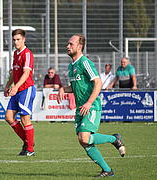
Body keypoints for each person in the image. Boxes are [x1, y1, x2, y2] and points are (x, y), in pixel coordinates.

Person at [57, 34, 126, 178]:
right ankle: (107, 170)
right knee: (84, 142)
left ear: (79, 46)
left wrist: (89, 103)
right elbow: (75, 86)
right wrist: (63, 88)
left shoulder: (85, 62)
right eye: (67, 44)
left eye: (71, 44)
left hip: (91, 106)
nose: (67, 46)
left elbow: (98, 82)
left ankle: (114, 139)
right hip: (80, 108)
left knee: (84, 138)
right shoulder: (72, 66)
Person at [4, 29, 36, 156]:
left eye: (18, 39)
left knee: (25, 119)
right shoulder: (15, 53)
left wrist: (16, 87)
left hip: (26, 89)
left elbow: (26, 73)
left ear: (24, 39)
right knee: (9, 117)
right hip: (17, 90)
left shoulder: (27, 54)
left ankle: (30, 149)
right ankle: (28, 142)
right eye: (14, 40)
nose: (16, 42)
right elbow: (14, 72)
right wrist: (8, 85)